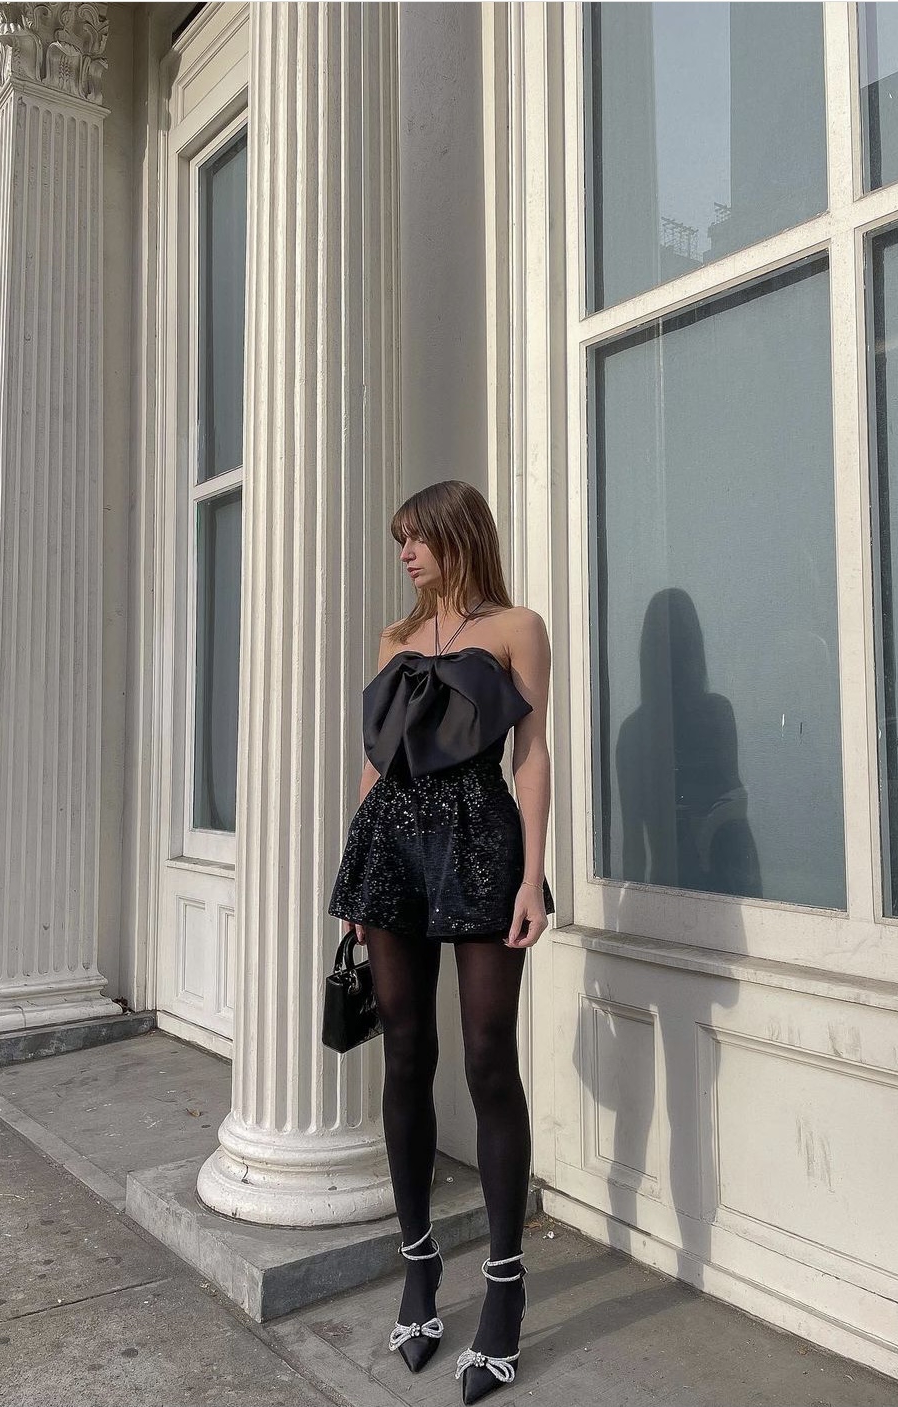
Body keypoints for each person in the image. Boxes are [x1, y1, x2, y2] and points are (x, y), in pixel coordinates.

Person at [327, 480, 555, 1404]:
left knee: (489, 1055)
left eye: (417, 538)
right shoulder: (393, 640)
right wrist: (357, 877)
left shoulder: (517, 627)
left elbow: (531, 752)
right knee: (405, 1053)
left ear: (459, 536)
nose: (405, 554)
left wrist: (533, 875)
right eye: (400, 541)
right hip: (392, 848)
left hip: (482, 839)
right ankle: (418, 1267)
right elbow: (375, 765)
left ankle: (503, 1286)